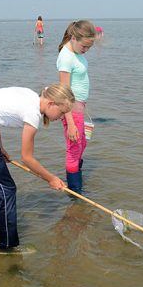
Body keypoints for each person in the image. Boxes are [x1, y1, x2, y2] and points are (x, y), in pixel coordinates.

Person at [0, 84, 75, 254]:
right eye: (62, 112)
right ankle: (7, 246)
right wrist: (51, 179)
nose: (62, 117)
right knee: (6, 189)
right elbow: (26, 158)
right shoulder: (32, 113)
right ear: (51, 104)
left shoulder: (31, 96)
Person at [56, 20, 96, 193]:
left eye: (89, 47)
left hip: (79, 106)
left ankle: (77, 180)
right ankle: (76, 192)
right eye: (85, 46)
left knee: (81, 144)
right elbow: (64, 92)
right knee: (74, 148)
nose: (86, 50)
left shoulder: (76, 51)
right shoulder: (65, 57)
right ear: (73, 38)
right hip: (70, 108)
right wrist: (70, 123)